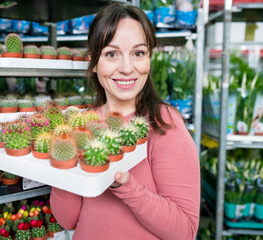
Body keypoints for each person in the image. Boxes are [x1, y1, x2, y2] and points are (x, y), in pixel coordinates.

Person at [50, 3, 200, 239]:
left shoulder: (163, 123)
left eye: (138, 53)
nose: (127, 68)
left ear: (149, 59)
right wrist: (62, 163)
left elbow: (185, 231)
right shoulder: (83, 124)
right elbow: (67, 220)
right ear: (94, 63)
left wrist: (126, 186)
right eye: (111, 54)